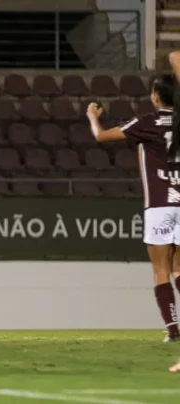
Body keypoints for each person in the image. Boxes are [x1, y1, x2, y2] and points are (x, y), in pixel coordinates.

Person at [86, 73, 180, 342]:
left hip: (160, 205)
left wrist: (93, 117)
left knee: (161, 270)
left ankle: (172, 329)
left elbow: (102, 136)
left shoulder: (146, 122)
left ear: (156, 96)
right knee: (179, 269)